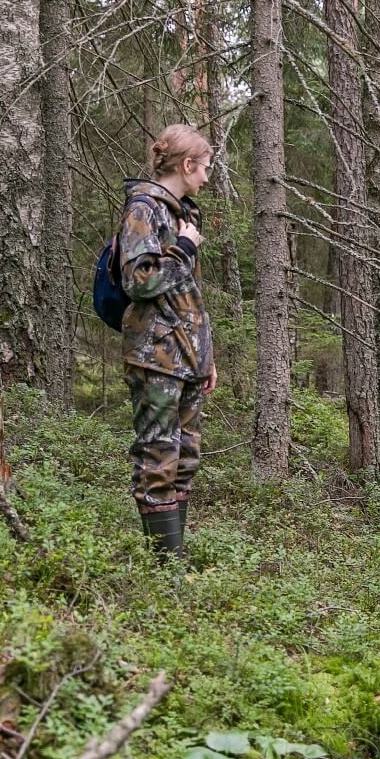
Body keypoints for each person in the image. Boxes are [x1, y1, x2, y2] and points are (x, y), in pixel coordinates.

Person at [118, 124, 216, 557]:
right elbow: (139, 281)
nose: (207, 178)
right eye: (205, 168)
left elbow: (186, 295)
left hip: (187, 356)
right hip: (155, 356)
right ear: (187, 164)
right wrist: (184, 249)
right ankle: (166, 570)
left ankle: (173, 560)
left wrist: (205, 358)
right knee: (158, 457)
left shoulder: (183, 213)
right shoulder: (144, 209)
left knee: (186, 457)